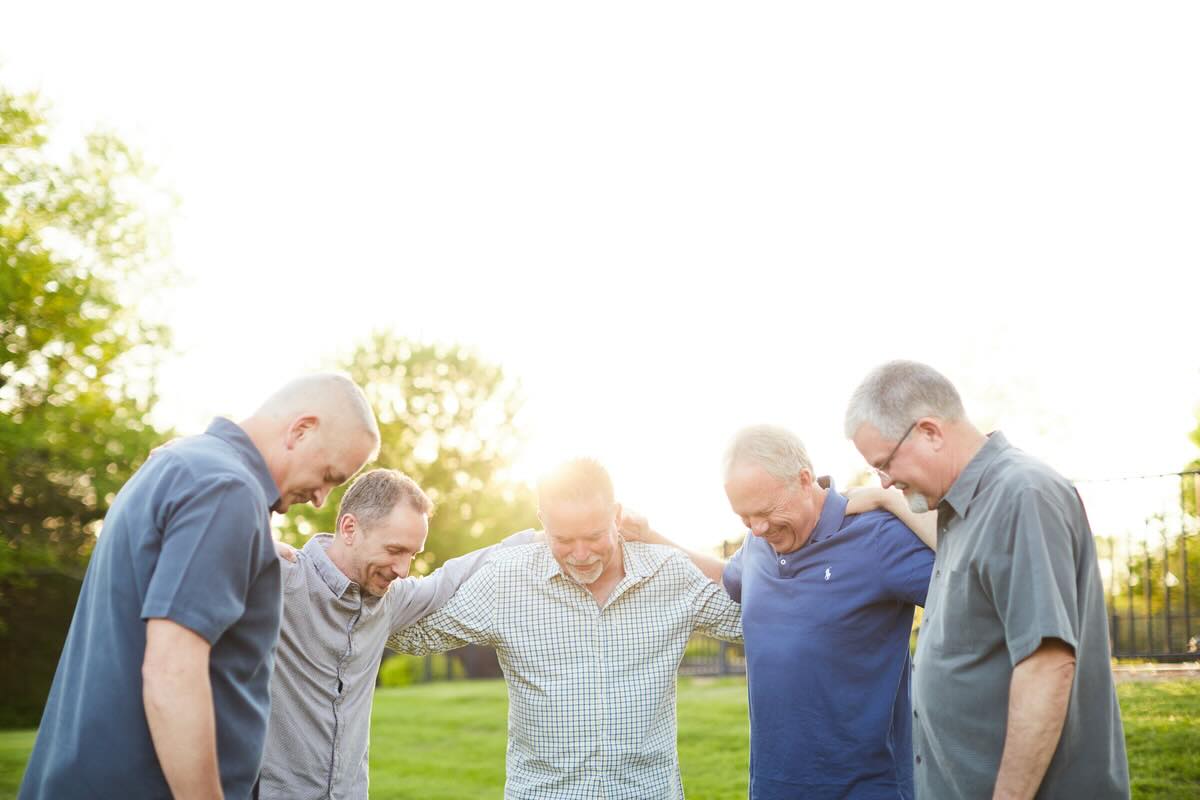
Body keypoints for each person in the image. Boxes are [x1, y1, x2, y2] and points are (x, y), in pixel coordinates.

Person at [20, 373, 380, 800]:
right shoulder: (227, 491)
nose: (322, 498)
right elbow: (173, 672)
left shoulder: (188, 464)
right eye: (328, 476)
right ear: (301, 430)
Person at [844, 360, 1130, 798]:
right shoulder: (959, 511)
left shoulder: (1021, 495)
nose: (886, 479)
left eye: (884, 465)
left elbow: (1046, 665)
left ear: (930, 432)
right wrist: (885, 499)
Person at [385, 458, 743, 800]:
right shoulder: (507, 579)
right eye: (564, 540)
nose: (582, 554)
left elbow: (755, 618)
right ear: (542, 521)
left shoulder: (670, 574)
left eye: (593, 536)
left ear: (617, 516)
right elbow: (415, 634)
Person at [625, 425, 935, 799]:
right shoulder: (758, 543)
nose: (757, 527)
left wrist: (891, 501)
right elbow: (728, 576)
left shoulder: (878, 537)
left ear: (804, 480)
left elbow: (970, 580)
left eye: (766, 512)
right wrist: (651, 536)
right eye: (745, 518)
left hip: (868, 788)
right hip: (773, 787)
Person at [261, 468, 535, 799]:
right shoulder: (276, 579)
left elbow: (449, 578)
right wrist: (243, 541)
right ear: (349, 528)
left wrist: (541, 539)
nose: (403, 570)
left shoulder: (390, 599)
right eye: (394, 550)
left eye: (412, 555)